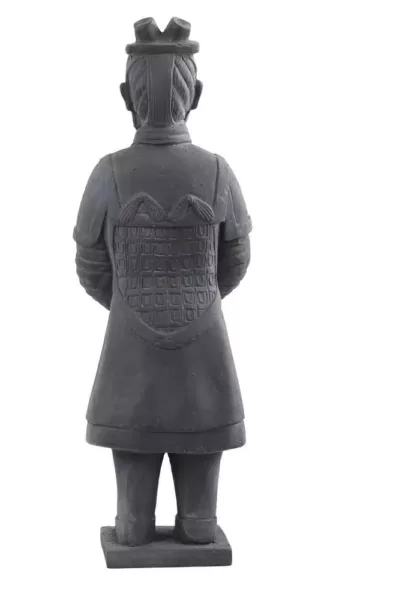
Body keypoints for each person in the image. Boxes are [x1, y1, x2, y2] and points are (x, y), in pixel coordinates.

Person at [74, 17, 252, 547]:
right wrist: (200, 299)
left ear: (126, 96)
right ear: (195, 95)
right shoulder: (217, 170)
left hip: (130, 346)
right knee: (202, 474)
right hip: (205, 345)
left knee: (132, 478)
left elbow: (90, 265)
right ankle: (198, 525)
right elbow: (236, 258)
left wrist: (129, 306)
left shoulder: (108, 171)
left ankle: (133, 528)